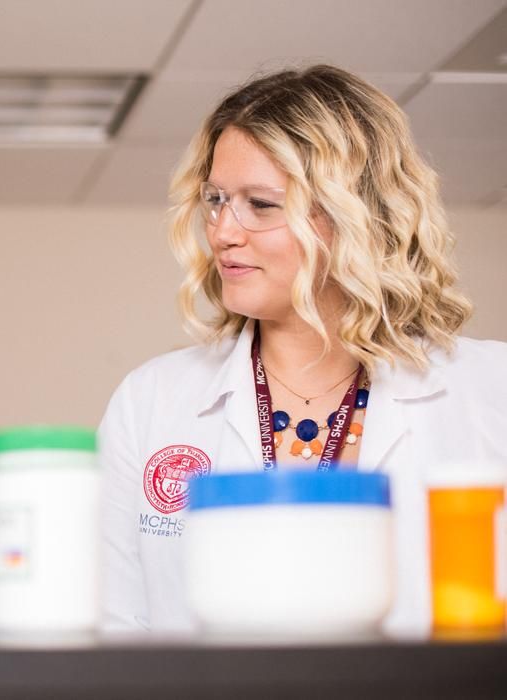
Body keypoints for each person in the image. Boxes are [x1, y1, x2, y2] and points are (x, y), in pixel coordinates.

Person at [98, 64, 507, 637]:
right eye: (216, 200)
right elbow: (120, 635)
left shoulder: (490, 391)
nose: (221, 231)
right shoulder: (153, 401)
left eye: (260, 205)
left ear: (356, 217)